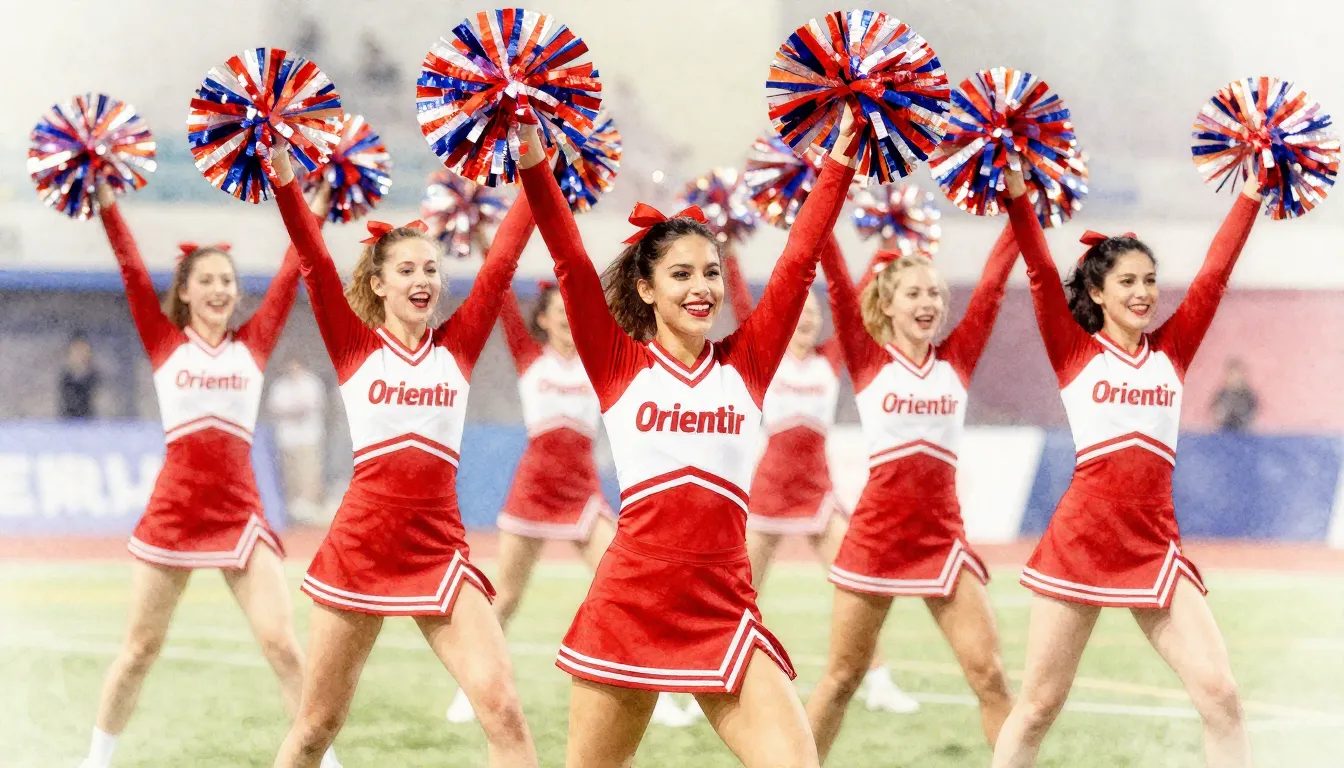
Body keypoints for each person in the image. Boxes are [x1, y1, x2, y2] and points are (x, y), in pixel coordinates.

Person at [516, 95, 857, 768]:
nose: (701, 288)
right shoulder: (618, 364)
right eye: (681, 274)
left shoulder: (747, 363)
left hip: (723, 608)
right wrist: (528, 145)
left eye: (710, 273)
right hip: (630, 604)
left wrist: (845, 147)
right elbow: (568, 257)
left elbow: (800, 259)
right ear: (645, 289)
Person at [265, 143, 538, 768]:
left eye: (431, 270)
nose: (422, 281)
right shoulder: (354, 346)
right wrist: (283, 172)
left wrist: (531, 157)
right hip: (360, 548)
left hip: (438, 549)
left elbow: (501, 262)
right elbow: (312, 258)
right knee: (316, 726)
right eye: (407, 270)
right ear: (378, 283)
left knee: (502, 707)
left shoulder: (457, 347)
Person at [989, 167, 1261, 768]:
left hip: (1153, 544)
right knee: (1037, 707)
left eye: (1151, 281)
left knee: (1221, 695)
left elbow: (1214, 275)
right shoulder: (1074, 350)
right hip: (1081, 541)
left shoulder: (1172, 350)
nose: (1143, 293)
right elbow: (1038, 269)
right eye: (1128, 281)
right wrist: (1015, 189)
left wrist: (1253, 190)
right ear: (1096, 293)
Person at [80, 183, 339, 768]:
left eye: (227, 280)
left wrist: (318, 205)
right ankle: (95, 760)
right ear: (185, 291)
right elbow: (129, 266)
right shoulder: (164, 342)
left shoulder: (254, 344)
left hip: (239, 515)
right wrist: (107, 201)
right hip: (173, 515)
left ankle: (324, 761)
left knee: (283, 646)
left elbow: (293, 270)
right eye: (207, 280)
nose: (220, 289)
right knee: (139, 650)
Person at [804, 227, 1020, 760]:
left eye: (935, 294)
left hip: (942, 543)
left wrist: (1020, 202)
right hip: (875, 541)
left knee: (990, 676)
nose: (928, 303)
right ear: (887, 304)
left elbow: (992, 287)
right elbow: (837, 282)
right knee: (842, 678)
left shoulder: (956, 360)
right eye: (914, 293)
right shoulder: (867, 358)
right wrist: (819, 198)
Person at [722, 248, 920, 716]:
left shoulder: (829, 359)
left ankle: (879, 681)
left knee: (857, 586)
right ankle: (704, 677)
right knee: (736, 592)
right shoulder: (766, 355)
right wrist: (730, 254)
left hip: (817, 493)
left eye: (815, 313)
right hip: (769, 491)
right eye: (801, 312)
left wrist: (880, 256)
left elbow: (853, 307)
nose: (808, 319)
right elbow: (743, 303)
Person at [267, 359, 329, 524]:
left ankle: (311, 511)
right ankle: (294, 513)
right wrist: (291, 411)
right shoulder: (279, 386)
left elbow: (318, 404)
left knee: (310, 473)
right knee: (291, 476)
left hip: (309, 437)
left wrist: (300, 410)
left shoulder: (311, 383)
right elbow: (274, 408)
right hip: (288, 438)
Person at [1209, 358, 1258, 432]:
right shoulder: (1222, 394)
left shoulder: (1248, 395)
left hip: (1243, 432)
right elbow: (1214, 414)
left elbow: (1253, 414)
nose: (1235, 378)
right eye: (1232, 374)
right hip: (1224, 431)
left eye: (1238, 375)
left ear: (1243, 376)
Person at [59, 332, 100, 419]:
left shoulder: (96, 377)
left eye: (82, 349)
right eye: (76, 350)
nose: (79, 354)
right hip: (66, 422)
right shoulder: (62, 377)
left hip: (90, 422)